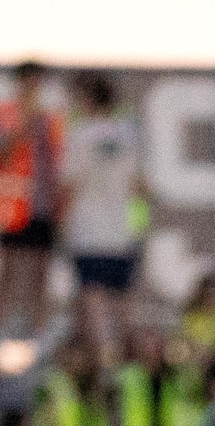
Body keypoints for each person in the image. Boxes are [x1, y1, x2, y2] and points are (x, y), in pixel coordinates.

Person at [0, 62, 62, 342]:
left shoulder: (52, 119)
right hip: (13, 206)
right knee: (8, 272)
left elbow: (59, 162)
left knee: (40, 273)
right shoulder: (4, 113)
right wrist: (24, 124)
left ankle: (37, 336)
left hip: (44, 206)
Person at [59, 73, 143, 354]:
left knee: (92, 298)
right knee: (121, 301)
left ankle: (103, 360)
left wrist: (60, 224)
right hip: (121, 231)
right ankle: (127, 361)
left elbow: (69, 183)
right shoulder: (128, 133)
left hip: (89, 230)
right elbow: (139, 185)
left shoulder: (81, 134)